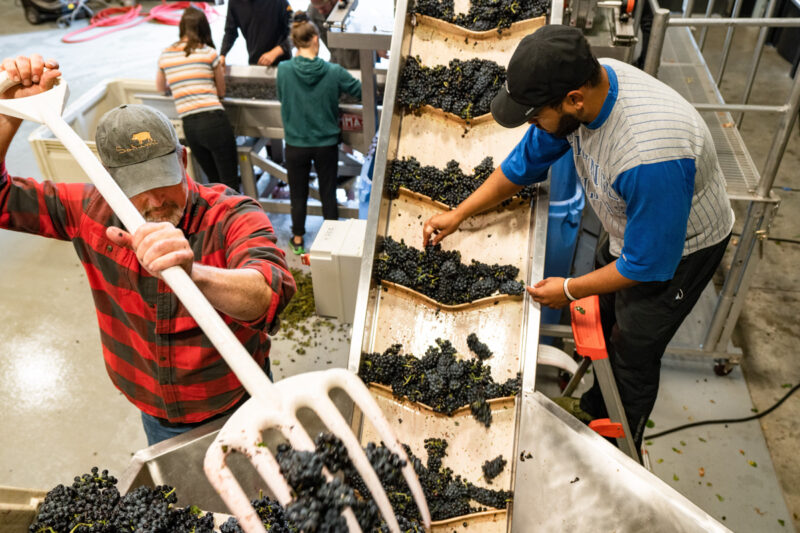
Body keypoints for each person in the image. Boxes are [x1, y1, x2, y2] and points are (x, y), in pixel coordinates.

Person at [422, 26, 734, 454]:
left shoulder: (649, 155)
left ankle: (618, 447)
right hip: (630, 228)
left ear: (573, 99)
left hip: (680, 252)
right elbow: (525, 163)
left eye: (533, 114)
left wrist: (568, 290)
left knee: (633, 349)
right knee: (604, 312)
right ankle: (591, 402)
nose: (532, 123)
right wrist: (460, 213)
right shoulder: (587, 94)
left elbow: (648, 265)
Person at [0, 54, 296, 446]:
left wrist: (194, 273)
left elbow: (269, 295)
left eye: (164, 179)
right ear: (108, 181)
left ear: (183, 160)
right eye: (137, 185)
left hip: (239, 400)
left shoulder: (230, 214)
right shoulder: (90, 210)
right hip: (156, 415)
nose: (156, 200)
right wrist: (9, 117)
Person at [276, 12, 361, 254]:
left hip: (295, 144)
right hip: (325, 144)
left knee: (298, 193)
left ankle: (299, 240)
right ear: (315, 39)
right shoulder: (333, 71)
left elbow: (282, 98)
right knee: (328, 192)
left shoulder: (283, 70)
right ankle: (332, 241)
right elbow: (360, 90)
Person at [157, 6, 240, 191]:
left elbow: (161, 88)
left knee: (213, 184)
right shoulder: (209, 53)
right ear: (204, 28)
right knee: (231, 184)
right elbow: (221, 91)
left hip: (190, 127)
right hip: (214, 122)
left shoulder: (166, 55)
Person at [219, 0, 293, 67]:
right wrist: (222, 54)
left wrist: (277, 51)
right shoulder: (234, 3)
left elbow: (296, 32)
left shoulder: (278, 2)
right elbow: (230, 32)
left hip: (283, 64)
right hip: (256, 62)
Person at [307, 0, 361, 70]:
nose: (320, 11)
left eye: (323, 8)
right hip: (336, 61)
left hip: (358, 61)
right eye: (317, 9)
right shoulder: (313, 12)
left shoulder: (352, 7)